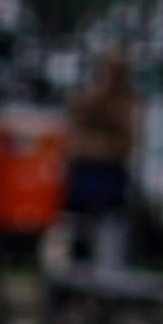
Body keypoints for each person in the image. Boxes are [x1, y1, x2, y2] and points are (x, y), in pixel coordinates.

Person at [63, 50, 137, 267]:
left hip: (108, 176)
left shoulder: (124, 105)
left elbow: (124, 144)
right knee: (77, 226)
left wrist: (94, 145)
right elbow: (72, 137)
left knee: (108, 229)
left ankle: (107, 270)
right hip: (83, 175)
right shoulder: (85, 100)